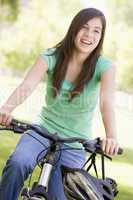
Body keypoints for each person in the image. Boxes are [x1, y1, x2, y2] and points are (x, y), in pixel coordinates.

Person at [0, 7, 120, 200]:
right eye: (84, 27)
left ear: (101, 36)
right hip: (42, 130)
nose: (89, 35)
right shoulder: (51, 56)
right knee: (18, 163)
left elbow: (106, 104)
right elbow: (27, 86)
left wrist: (111, 136)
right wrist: (7, 108)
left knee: (60, 196)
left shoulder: (104, 67)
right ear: (74, 29)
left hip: (75, 142)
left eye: (96, 31)